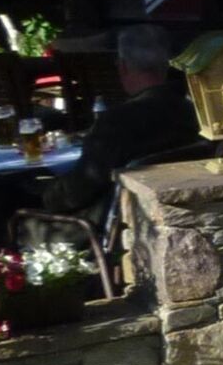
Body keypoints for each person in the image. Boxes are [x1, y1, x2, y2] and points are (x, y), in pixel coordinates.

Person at [40, 25, 201, 225]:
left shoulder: (117, 122)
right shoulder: (193, 112)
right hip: (173, 213)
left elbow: (79, 190)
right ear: (167, 65)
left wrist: (43, 192)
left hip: (104, 222)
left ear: (123, 66)